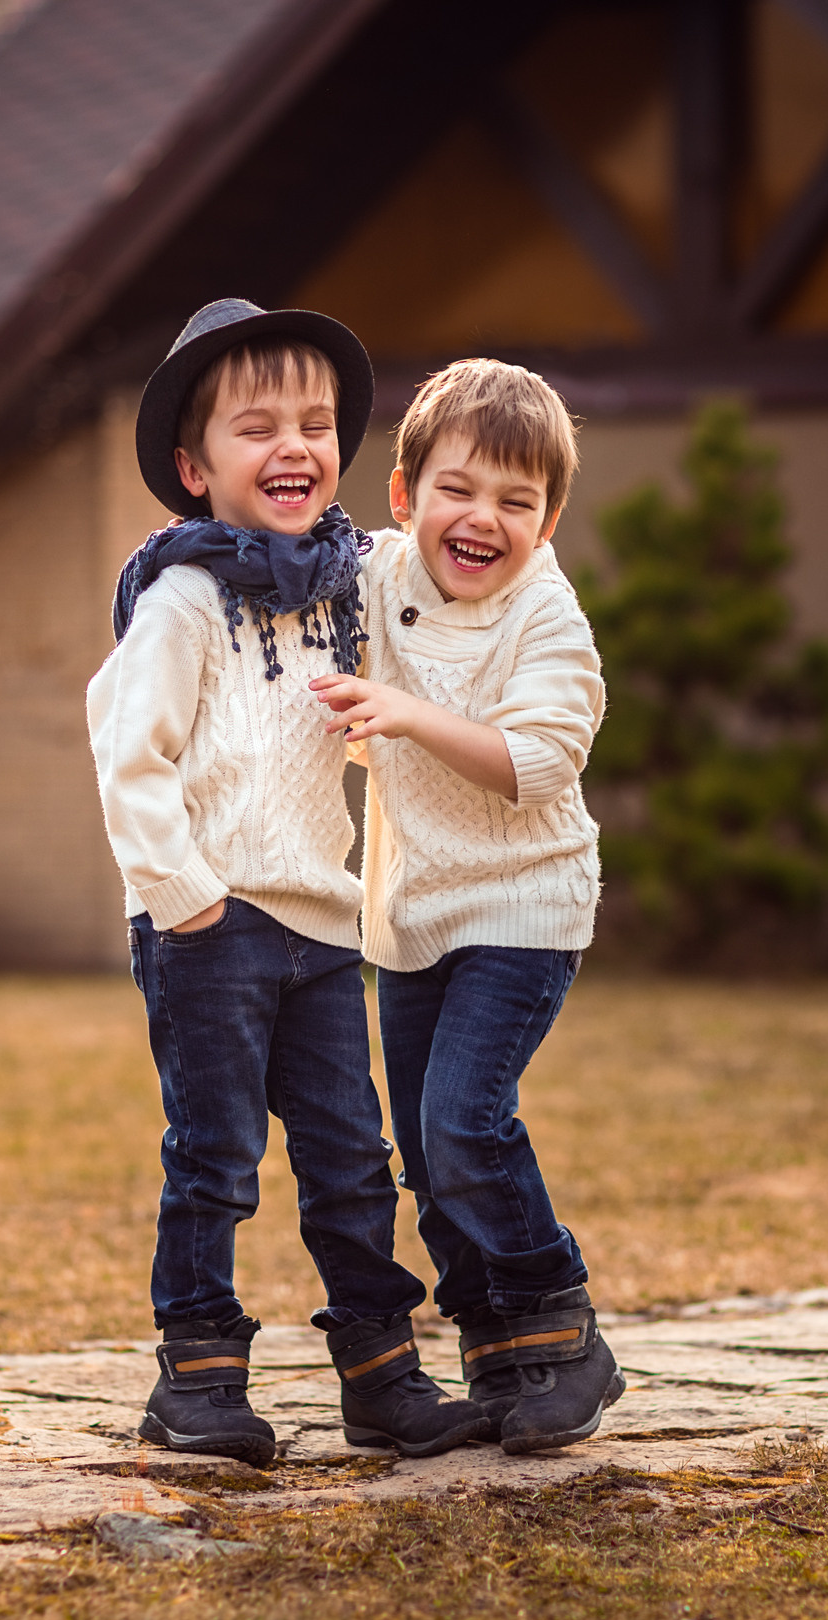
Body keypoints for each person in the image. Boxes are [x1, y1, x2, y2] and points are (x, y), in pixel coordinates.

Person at [85, 300, 490, 1467]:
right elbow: (126, 750)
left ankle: (381, 1372)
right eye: (256, 427)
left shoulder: (340, 587)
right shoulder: (183, 598)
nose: (294, 447)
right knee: (213, 1155)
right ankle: (198, 1376)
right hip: (209, 925)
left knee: (352, 1158)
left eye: (314, 424)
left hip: (319, 923)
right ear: (193, 466)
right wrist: (185, 895)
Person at [311, 359, 618, 1454]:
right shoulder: (376, 574)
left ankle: (564, 1330)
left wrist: (403, 710)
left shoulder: (547, 618)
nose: (483, 517)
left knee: (463, 1122)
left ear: (548, 522)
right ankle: (498, 1355)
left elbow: (537, 763)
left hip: (524, 905)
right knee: (427, 1161)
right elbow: (290, 566)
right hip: (413, 915)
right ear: (405, 496)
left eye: (516, 500)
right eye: (458, 488)